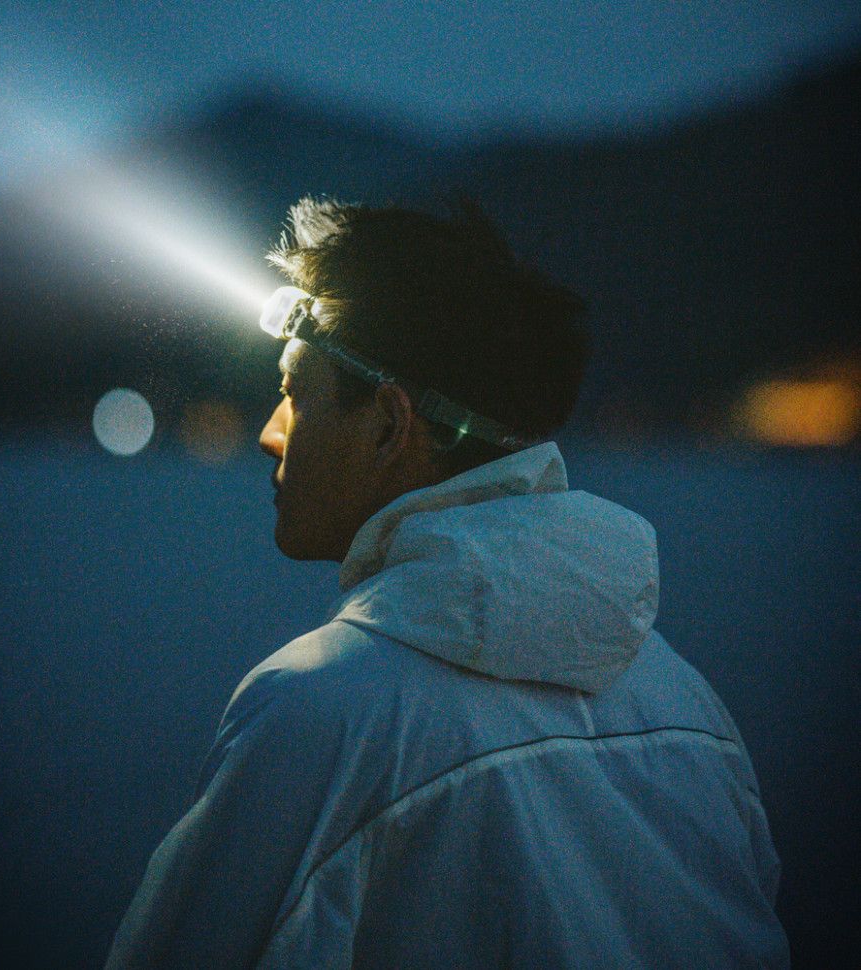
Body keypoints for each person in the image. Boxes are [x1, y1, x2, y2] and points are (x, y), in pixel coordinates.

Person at [105, 198, 788, 968]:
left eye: (294, 395)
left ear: (388, 424)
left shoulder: (315, 719)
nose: (270, 433)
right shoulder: (692, 709)